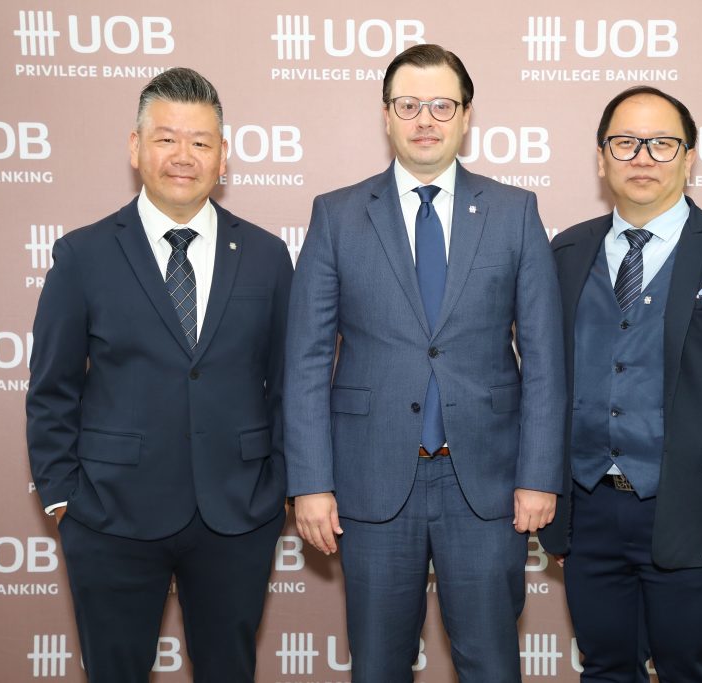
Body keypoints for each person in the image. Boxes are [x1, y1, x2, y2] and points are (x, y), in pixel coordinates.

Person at [284, 44, 565, 682]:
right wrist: (311, 483)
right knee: (378, 667)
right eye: (409, 105)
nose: (425, 120)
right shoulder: (337, 215)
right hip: (372, 481)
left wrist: (538, 474)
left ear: (465, 115)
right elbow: (306, 360)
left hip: (487, 485)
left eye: (441, 105)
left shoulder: (515, 212)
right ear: (386, 115)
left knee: (492, 666)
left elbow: (545, 357)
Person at [25, 67, 291, 682]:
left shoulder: (267, 256)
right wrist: (64, 497)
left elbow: (286, 385)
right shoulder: (83, 255)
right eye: (166, 138)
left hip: (237, 513)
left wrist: (277, 487)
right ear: (135, 147)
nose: (183, 156)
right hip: (110, 513)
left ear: (222, 156)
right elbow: (52, 388)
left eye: (200, 142)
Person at [539, 86, 702, 682]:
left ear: (689, 157)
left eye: (662, 143)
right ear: (601, 157)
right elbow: (545, 383)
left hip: (699, 517)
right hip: (589, 513)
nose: (643, 157)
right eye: (625, 143)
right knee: (605, 669)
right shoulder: (566, 251)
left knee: (696, 672)